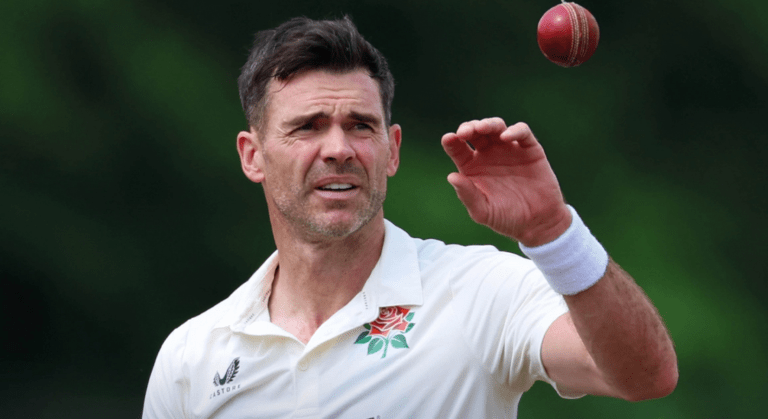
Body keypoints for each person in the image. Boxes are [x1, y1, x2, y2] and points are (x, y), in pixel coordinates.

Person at [143, 16, 677, 418]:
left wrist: (553, 233)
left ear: (392, 149)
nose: (339, 149)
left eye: (361, 125)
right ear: (252, 156)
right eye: (308, 126)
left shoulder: (480, 291)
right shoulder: (193, 355)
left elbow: (644, 376)